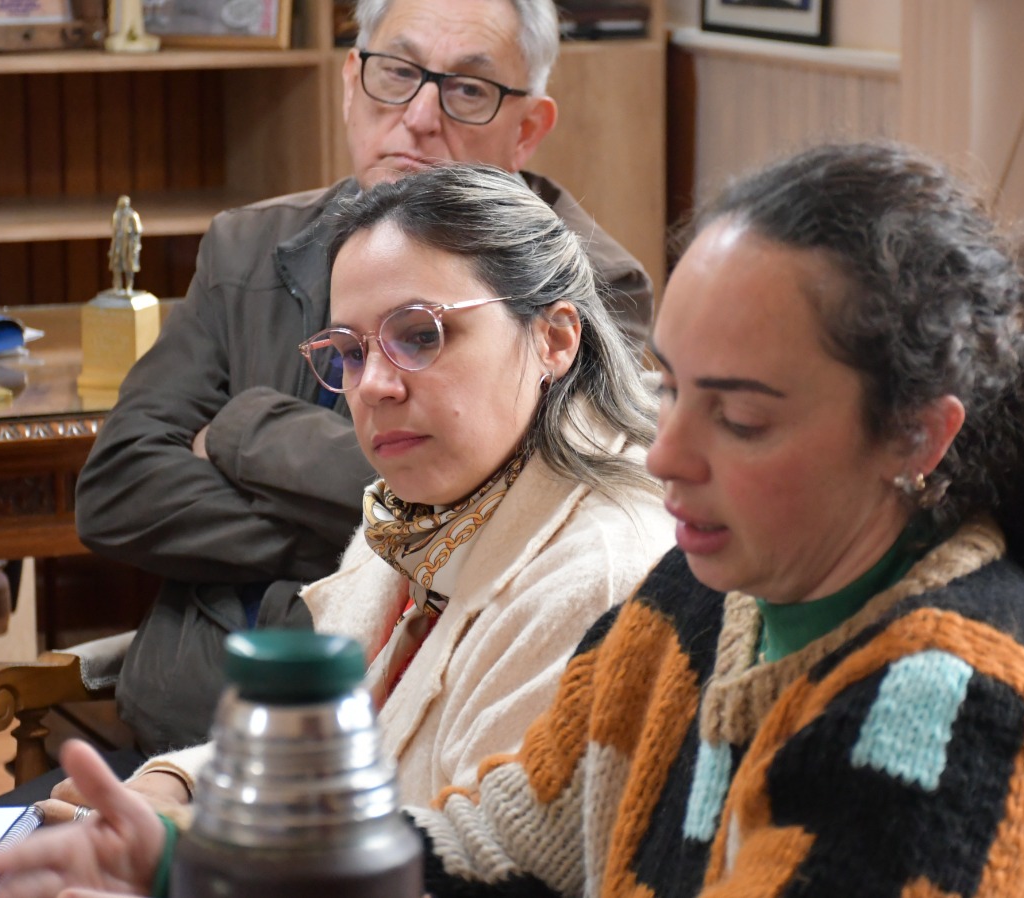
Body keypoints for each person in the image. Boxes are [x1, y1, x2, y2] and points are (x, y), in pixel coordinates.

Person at [0, 141, 1024, 897]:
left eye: (738, 417)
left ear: (917, 437)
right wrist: (186, 863)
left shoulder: (951, 706)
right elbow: (484, 854)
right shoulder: (699, 604)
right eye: (676, 391)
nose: (667, 453)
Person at [69, 0, 656, 771]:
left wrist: (244, 433)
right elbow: (116, 489)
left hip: (380, 753)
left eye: (467, 89)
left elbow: (517, 509)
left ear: (528, 128)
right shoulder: (248, 246)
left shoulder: (578, 284)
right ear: (351, 84)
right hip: (180, 733)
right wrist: (383, 535)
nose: (419, 117)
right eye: (397, 73)